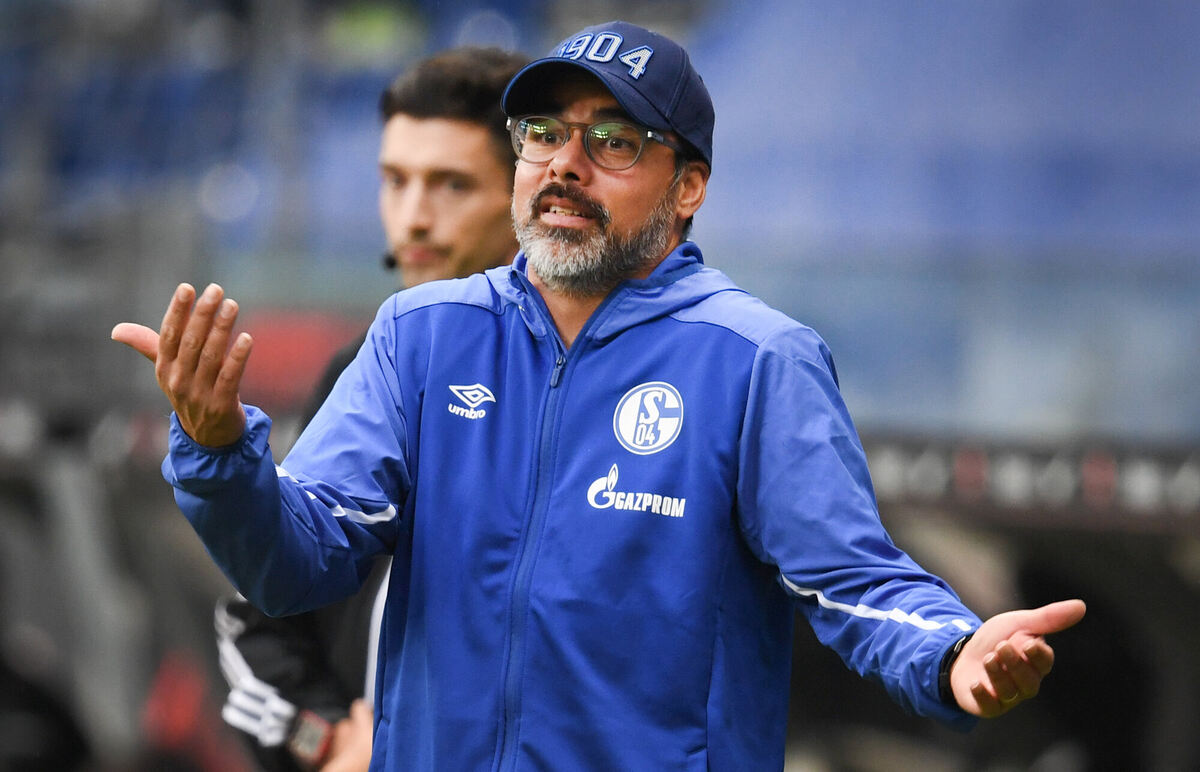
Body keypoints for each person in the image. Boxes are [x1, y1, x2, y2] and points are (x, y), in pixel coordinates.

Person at [113, 20, 1087, 771]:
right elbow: (298, 564)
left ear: (688, 186)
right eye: (542, 134)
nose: (565, 166)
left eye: (613, 141)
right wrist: (219, 450)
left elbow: (853, 581)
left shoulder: (757, 360)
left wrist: (953, 652)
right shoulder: (420, 333)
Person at [212, 46, 526, 772]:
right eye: (394, 181)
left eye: (451, 184)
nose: (412, 219)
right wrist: (325, 744)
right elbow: (257, 625)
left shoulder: (614, 387)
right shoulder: (360, 371)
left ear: (529, 197)